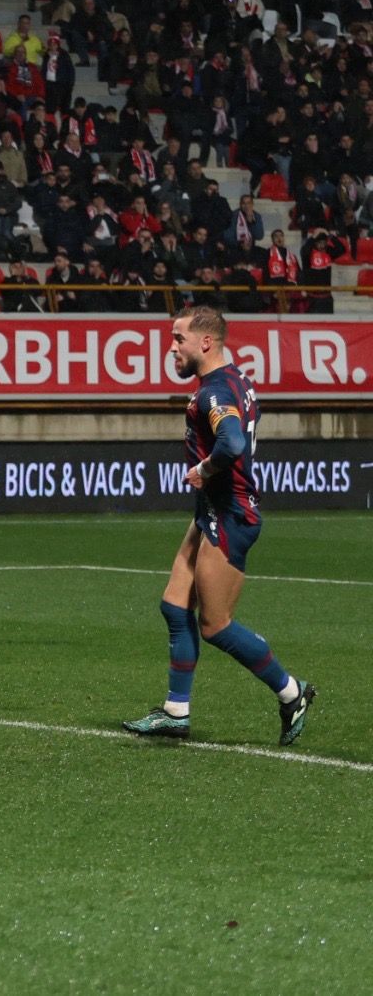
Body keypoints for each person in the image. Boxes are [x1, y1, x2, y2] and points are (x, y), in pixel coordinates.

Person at [120, 308, 315, 744]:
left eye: (178, 339)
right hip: (213, 510)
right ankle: (175, 712)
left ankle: (291, 692)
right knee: (174, 606)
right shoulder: (236, 381)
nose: (171, 348)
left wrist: (205, 469)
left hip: (231, 516)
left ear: (205, 342)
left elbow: (231, 442)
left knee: (216, 625)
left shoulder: (213, 392)